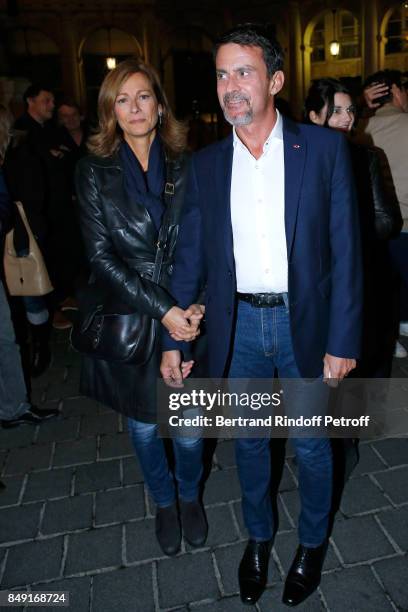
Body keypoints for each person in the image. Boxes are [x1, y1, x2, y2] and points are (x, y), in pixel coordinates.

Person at [161, 24, 362, 606]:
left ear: (274, 79)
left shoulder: (323, 151)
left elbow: (347, 253)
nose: (230, 86)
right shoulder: (205, 165)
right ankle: (257, 539)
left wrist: (343, 338)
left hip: (305, 323)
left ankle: (314, 543)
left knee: (311, 443)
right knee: (249, 441)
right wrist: (174, 334)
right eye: (222, 74)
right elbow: (194, 257)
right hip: (240, 328)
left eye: (243, 72)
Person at [75, 59, 207, 557]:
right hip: (133, 319)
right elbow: (100, 258)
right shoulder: (92, 171)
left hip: (187, 314)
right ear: (110, 109)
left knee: (191, 430)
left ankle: (190, 496)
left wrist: (193, 309)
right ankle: (165, 501)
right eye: (122, 99)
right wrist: (165, 310)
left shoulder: (189, 163)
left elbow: (209, 245)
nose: (134, 107)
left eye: (143, 96)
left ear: (159, 104)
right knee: (147, 427)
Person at [305, 78, 402, 376]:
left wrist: (345, 233)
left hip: (355, 280)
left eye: (350, 111)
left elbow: (388, 221)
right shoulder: (298, 161)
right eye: (337, 111)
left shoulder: (365, 157)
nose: (346, 118)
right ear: (314, 116)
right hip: (317, 284)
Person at [0, 104, 59, 428]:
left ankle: (40, 348)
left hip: (20, 240)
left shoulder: (21, 154)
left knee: (23, 309)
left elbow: (25, 200)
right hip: (16, 239)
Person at [358, 70, 408, 358]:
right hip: (405, 227)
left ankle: (392, 336)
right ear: (397, 92)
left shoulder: (359, 128)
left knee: (380, 289)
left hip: (373, 227)